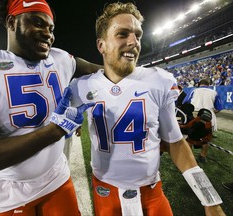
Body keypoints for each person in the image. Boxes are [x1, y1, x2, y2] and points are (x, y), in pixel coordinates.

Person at [0, 0, 101, 215]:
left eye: (51, 28)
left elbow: (99, 70)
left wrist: (139, 74)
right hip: (8, 191)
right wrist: (56, 130)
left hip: (56, 177)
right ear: (11, 22)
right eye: (38, 23)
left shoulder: (60, 58)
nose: (48, 33)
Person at [69, 2, 225, 216]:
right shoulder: (81, 86)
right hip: (105, 194)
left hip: (151, 193)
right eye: (122, 34)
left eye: (137, 35)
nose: (133, 41)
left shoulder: (158, 80)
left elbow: (176, 143)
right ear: (101, 45)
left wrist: (210, 201)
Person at [183, 78, 223, 162]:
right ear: (208, 85)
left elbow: (185, 102)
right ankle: (203, 156)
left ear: (199, 84)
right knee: (206, 136)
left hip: (195, 114)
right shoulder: (214, 92)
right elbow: (219, 107)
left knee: (190, 135)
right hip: (208, 114)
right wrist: (211, 113)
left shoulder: (193, 91)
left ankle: (190, 157)